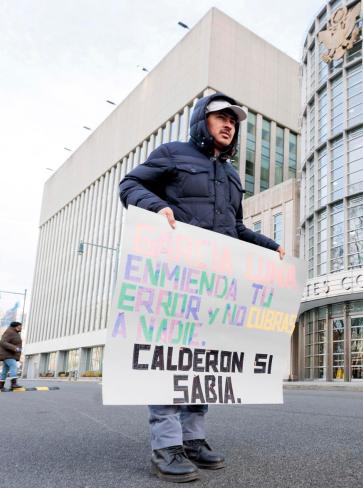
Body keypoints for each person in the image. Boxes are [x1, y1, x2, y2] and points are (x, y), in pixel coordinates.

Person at [119, 92, 286, 483]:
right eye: (220, 117)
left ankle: (193, 439)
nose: (229, 124)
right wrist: (156, 207)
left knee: (202, 363)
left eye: (233, 120)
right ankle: (166, 445)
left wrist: (271, 246)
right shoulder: (173, 153)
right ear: (202, 121)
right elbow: (129, 185)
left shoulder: (231, 175)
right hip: (175, 275)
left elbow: (237, 228)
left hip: (215, 283)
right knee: (171, 359)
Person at [0, 321, 23, 391]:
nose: (21, 328)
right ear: (15, 326)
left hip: (10, 354)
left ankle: (0, 386)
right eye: (20, 326)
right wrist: (15, 348)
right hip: (8, 354)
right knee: (14, 366)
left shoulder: (15, 333)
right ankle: (13, 384)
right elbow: (3, 342)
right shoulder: (9, 332)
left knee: (5, 370)